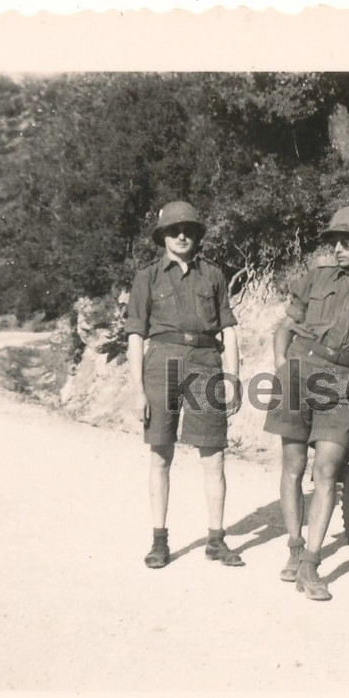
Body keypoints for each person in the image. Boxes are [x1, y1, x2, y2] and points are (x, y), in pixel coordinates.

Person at [264, 206, 349, 601]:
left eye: (347, 241)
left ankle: (312, 565)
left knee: (327, 470)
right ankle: (294, 546)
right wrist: (283, 365)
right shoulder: (316, 277)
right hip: (298, 372)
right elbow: (285, 326)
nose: (338, 248)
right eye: (334, 241)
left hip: (341, 381)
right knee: (293, 466)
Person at [124, 200, 244, 569]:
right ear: (162, 236)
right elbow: (134, 335)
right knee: (161, 454)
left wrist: (234, 377)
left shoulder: (213, 275)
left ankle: (216, 539)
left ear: (197, 235)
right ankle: (159, 541)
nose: (181, 235)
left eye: (188, 230)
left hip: (207, 364)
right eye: (174, 230)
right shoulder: (147, 277)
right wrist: (137, 388)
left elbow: (229, 329)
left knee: (214, 455)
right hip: (161, 364)